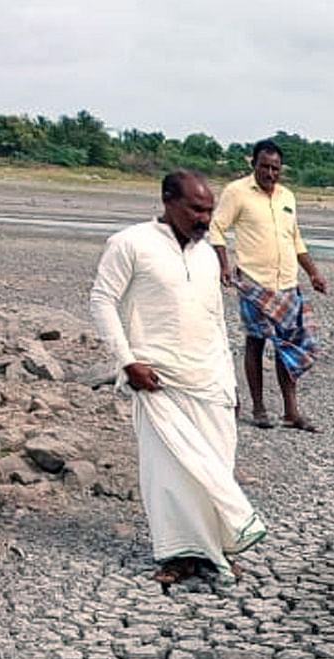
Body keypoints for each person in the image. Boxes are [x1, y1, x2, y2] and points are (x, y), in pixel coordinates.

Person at [90, 171, 267, 588]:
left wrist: (230, 381)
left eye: (209, 210)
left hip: (209, 380)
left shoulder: (208, 255)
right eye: (197, 209)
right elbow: (102, 301)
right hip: (157, 381)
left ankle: (214, 550)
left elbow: (214, 320)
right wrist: (127, 361)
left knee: (214, 467)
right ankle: (178, 555)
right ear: (168, 200)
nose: (205, 219)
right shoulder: (130, 243)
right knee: (169, 472)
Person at [210, 139, 329, 431]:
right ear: (253, 164)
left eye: (276, 168)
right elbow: (217, 228)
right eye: (264, 166)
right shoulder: (237, 192)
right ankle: (259, 408)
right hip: (254, 282)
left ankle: (291, 412)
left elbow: (296, 239)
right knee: (256, 341)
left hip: (287, 284)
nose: (270, 173)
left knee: (288, 345)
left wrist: (313, 273)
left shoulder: (287, 196)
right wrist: (224, 266)